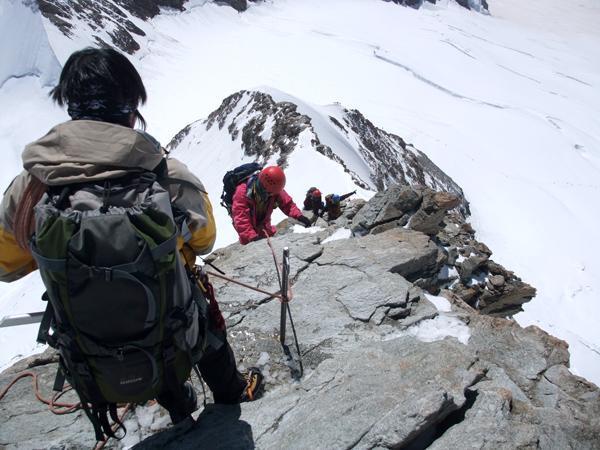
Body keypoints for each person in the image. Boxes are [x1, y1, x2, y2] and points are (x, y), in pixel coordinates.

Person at [0, 47, 261, 427]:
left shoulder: (30, 190)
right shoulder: (167, 176)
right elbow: (204, 238)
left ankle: (176, 404)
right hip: (172, 333)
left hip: (89, 345)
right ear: (131, 107)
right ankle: (231, 390)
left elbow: (6, 264)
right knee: (194, 303)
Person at [232, 165, 311, 244]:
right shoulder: (242, 192)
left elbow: (287, 204)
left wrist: (299, 216)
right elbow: (241, 218)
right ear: (264, 188)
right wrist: (252, 237)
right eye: (269, 193)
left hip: (265, 228)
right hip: (248, 234)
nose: (271, 195)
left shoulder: (275, 189)